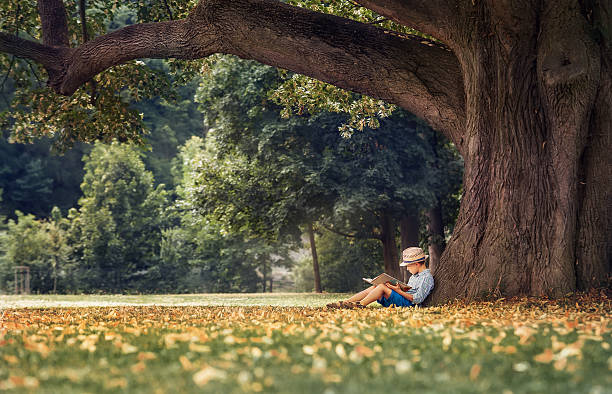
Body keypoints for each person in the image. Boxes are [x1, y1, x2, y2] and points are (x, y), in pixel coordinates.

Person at [327, 247, 434, 309]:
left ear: (416, 264)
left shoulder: (427, 278)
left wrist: (397, 290)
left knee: (382, 287)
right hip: (403, 299)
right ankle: (345, 303)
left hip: (409, 304)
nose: (407, 269)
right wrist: (397, 287)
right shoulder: (414, 276)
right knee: (375, 287)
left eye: (408, 266)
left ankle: (360, 305)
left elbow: (417, 299)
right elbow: (409, 290)